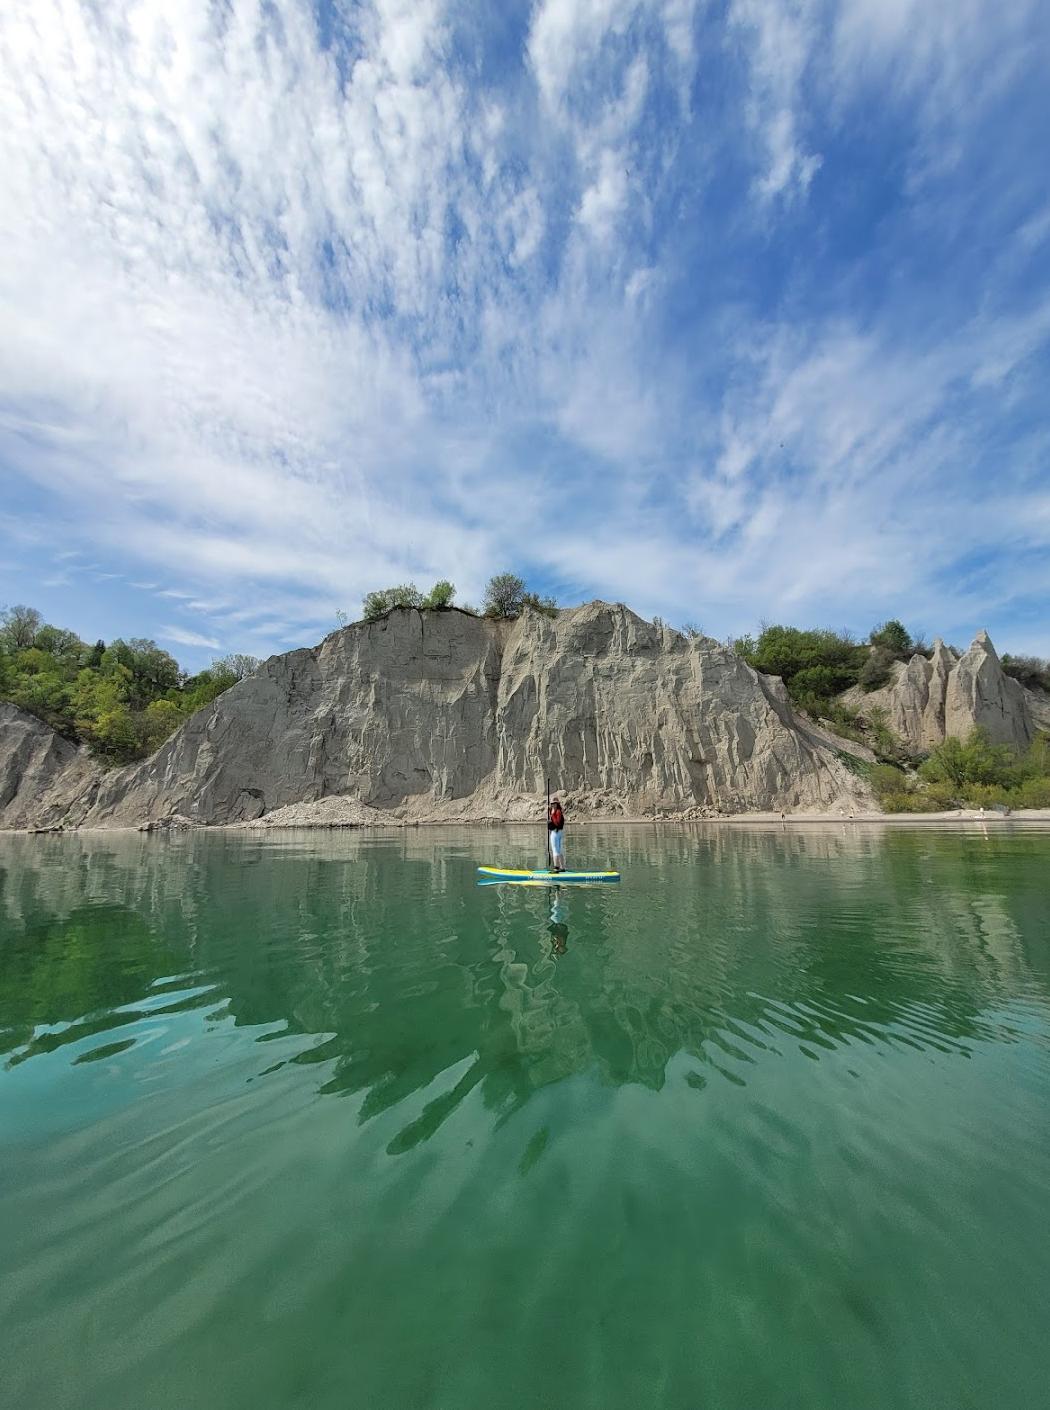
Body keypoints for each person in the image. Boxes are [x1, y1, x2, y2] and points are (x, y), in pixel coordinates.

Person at [548, 795, 566, 872]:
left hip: (556, 833)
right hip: (558, 832)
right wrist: (550, 812)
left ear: (557, 804)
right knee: (559, 850)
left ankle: (556, 868)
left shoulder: (557, 812)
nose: (553, 805)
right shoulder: (556, 811)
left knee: (555, 850)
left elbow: (557, 823)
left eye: (554, 804)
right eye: (552, 804)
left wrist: (551, 815)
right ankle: (562, 868)